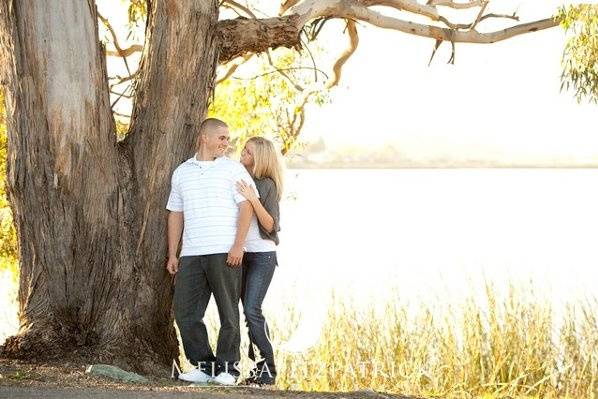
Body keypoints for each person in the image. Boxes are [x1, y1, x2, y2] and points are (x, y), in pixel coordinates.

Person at [165, 118, 256, 386]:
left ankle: (229, 369)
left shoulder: (234, 169)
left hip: (225, 250)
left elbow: (246, 208)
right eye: (222, 138)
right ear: (205, 137)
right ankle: (204, 367)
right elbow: (175, 213)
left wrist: (238, 245)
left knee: (228, 312)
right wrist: (173, 253)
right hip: (192, 253)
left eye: (228, 139)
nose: (226, 143)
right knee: (185, 312)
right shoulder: (182, 171)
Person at [236, 136, 283, 386]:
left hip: (262, 255)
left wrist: (252, 198)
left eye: (248, 152)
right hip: (241, 254)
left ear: (260, 158)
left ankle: (269, 370)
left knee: (253, 310)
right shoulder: (238, 179)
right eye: (243, 149)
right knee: (246, 313)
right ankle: (257, 370)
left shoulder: (267, 185)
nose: (243, 153)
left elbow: (270, 225)